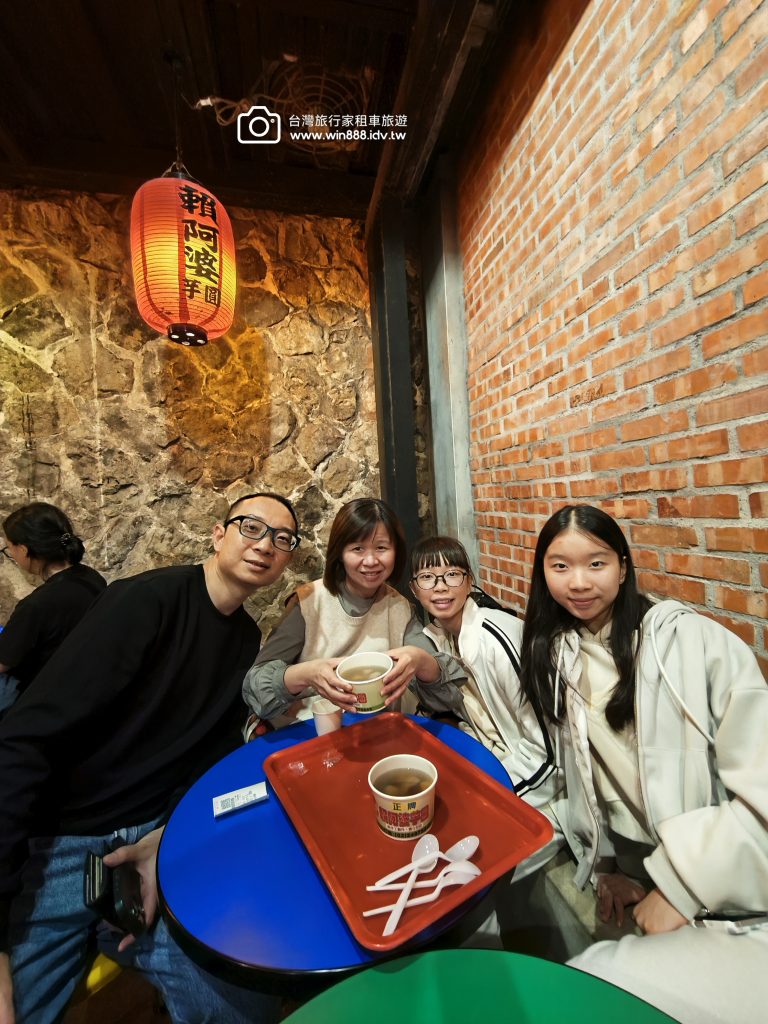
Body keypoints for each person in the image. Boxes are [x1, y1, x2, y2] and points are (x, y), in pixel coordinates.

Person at [0, 492, 300, 1024]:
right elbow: (26, 739)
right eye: (251, 527)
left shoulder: (244, 639)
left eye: (282, 539)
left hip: (151, 845)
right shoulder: (146, 601)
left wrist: (163, 839)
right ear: (218, 533)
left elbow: (207, 757)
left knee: (241, 998)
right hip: (59, 848)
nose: (265, 545)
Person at [519, 503, 768, 1023]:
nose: (578, 582)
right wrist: (607, 865)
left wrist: (680, 884)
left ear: (623, 567)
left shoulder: (691, 642)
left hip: (724, 879)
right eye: (560, 566)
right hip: (637, 863)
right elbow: (588, 778)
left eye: (597, 563)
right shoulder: (557, 652)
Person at [243, 498, 461, 728]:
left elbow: (447, 696)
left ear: (396, 552)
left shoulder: (399, 607)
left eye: (381, 548)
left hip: (377, 731)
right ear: (340, 553)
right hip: (312, 732)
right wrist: (307, 674)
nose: (371, 561)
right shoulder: (309, 602)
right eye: (358, 548)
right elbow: (255, 687)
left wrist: (420, 660)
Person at [0, 502, 106, 712]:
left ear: (24, 550)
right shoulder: (91, 576)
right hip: (83, 684)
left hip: (45, 696)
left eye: (8, 549)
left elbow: (3, 662)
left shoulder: (36, 606)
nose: (10, 554)